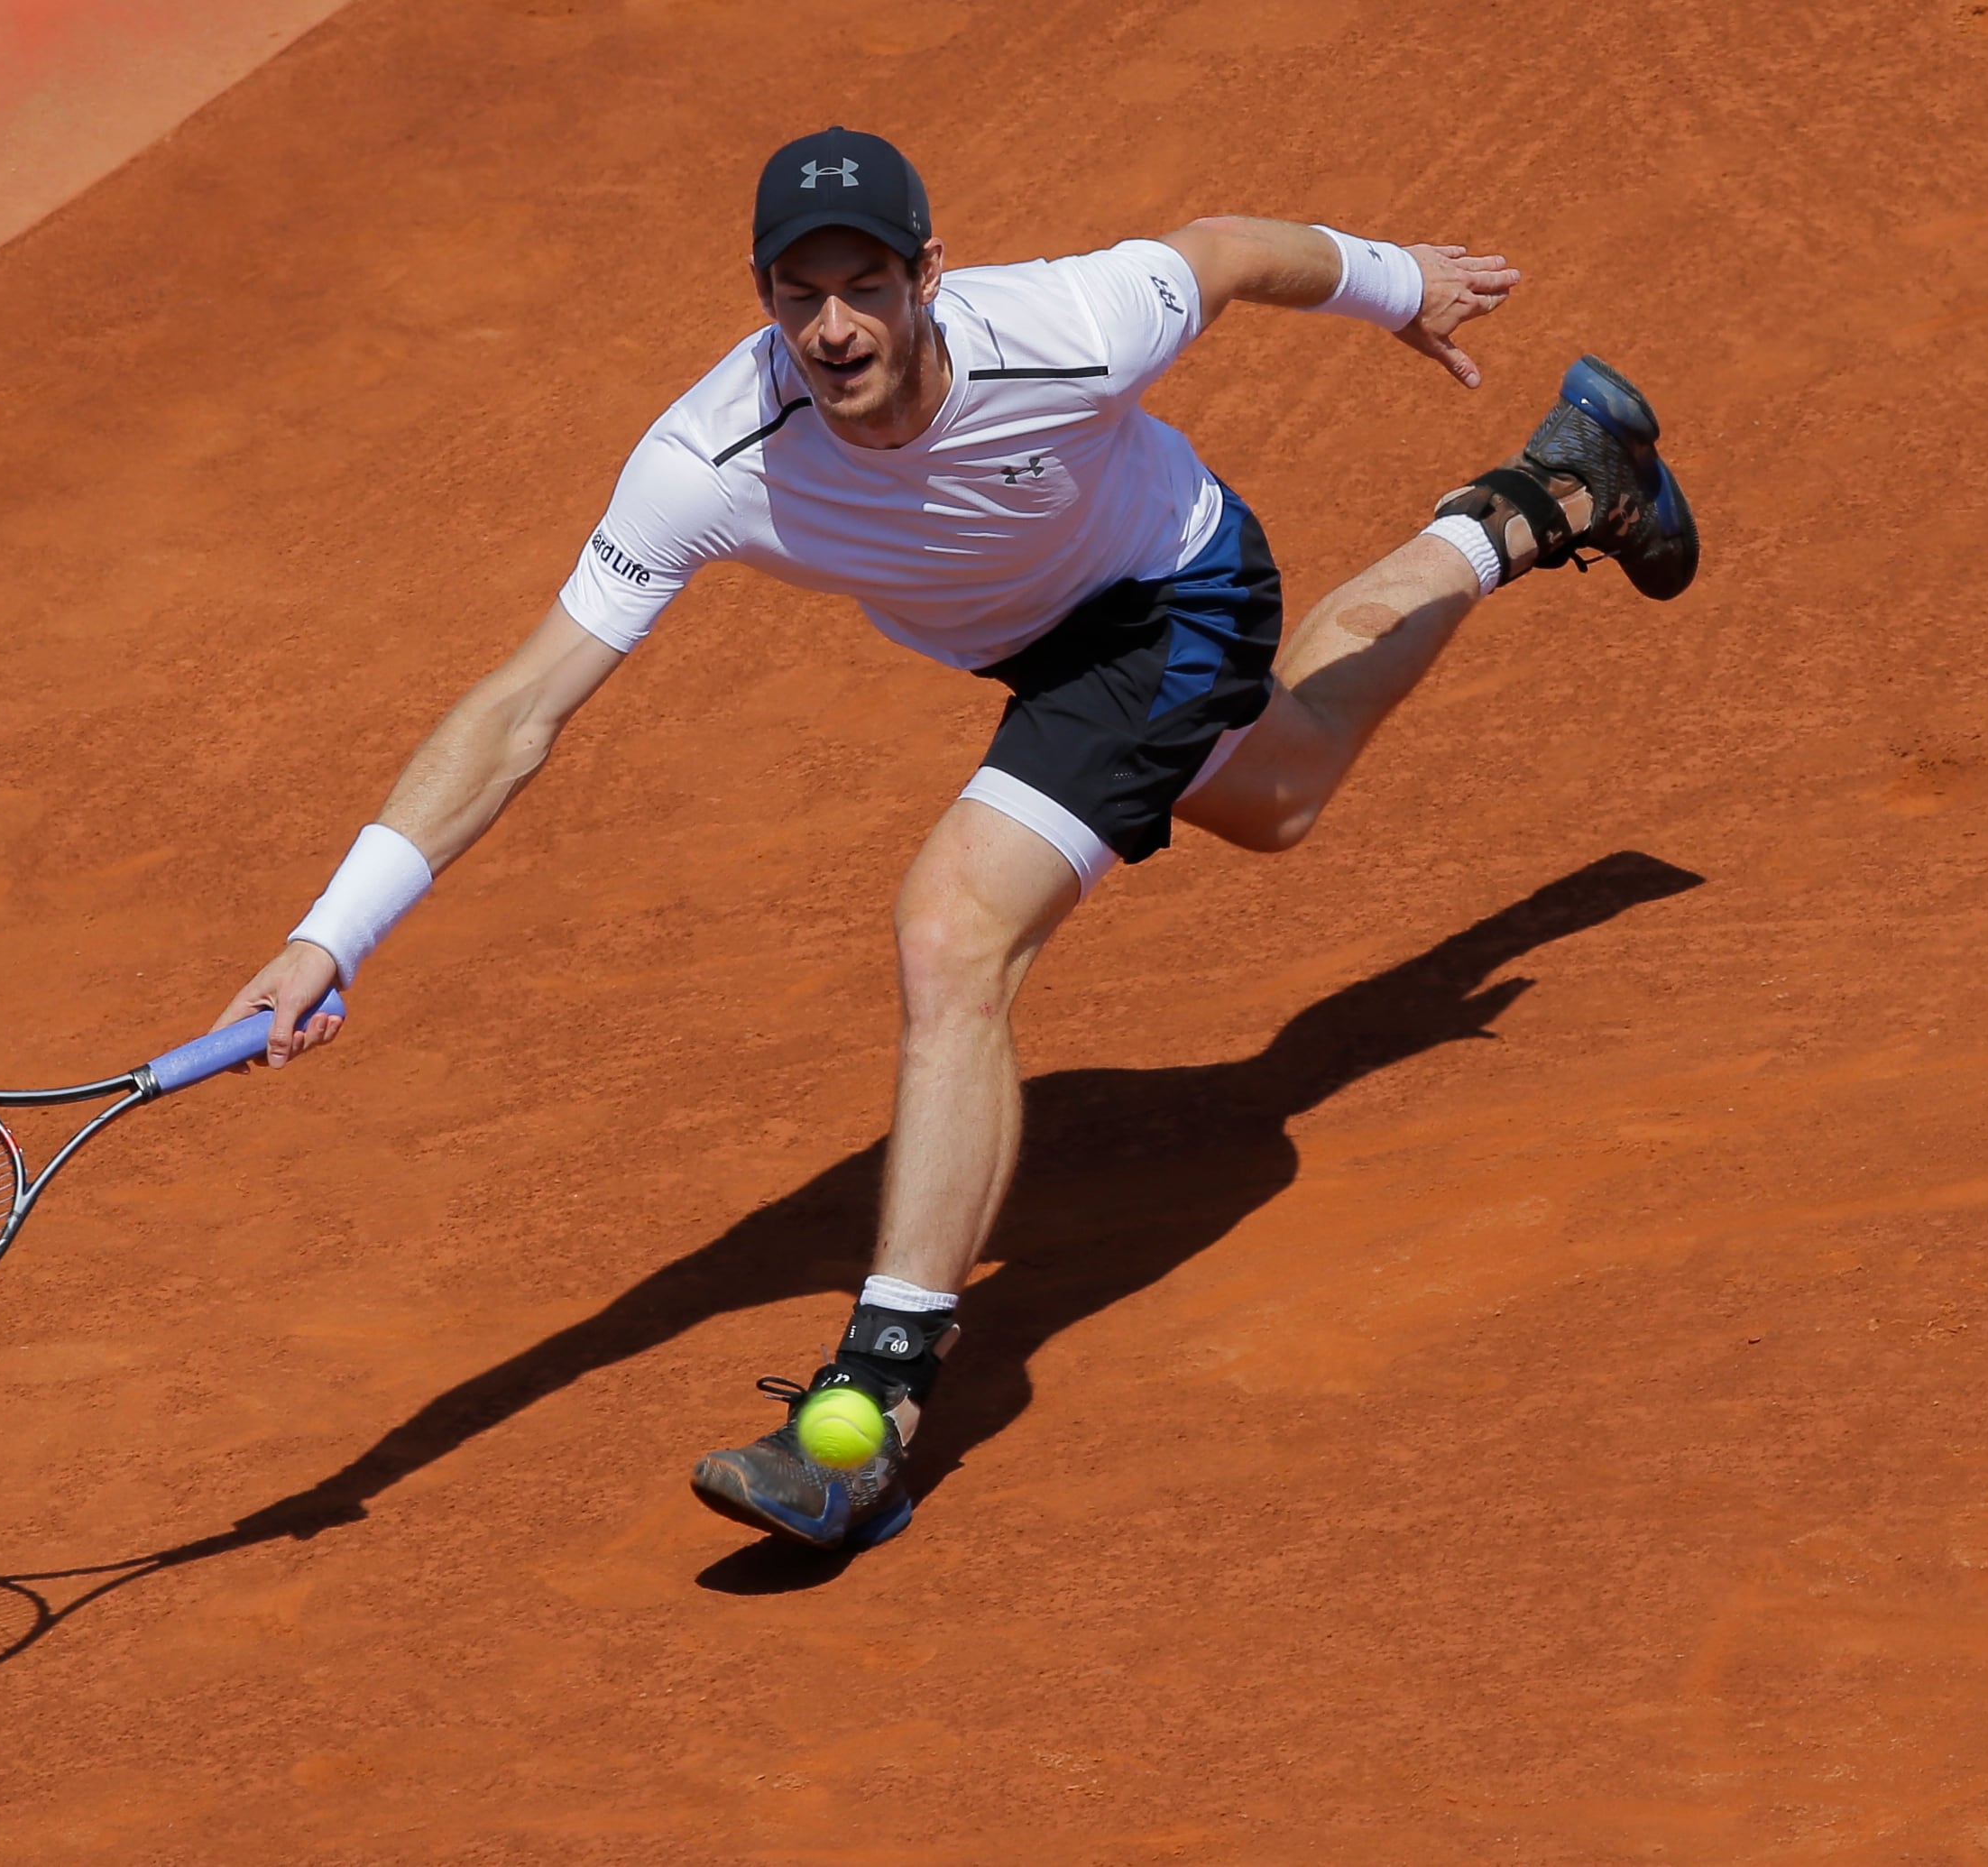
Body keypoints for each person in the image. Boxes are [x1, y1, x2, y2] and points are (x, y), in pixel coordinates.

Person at [211, 126, 1697, 1554]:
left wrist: (1397, 282)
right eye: (801, 293)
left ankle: (875, 1398)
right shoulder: (709, 457)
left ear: (932, 274)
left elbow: (1228, 252)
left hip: (1167, 592)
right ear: (764, 299)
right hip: (1033, 645)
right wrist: (330, 932)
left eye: (867, 285)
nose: (837, 325)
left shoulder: (1063, 328)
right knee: (1282, 791)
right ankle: (1556, 490)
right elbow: (524, 701)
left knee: (954, 926)